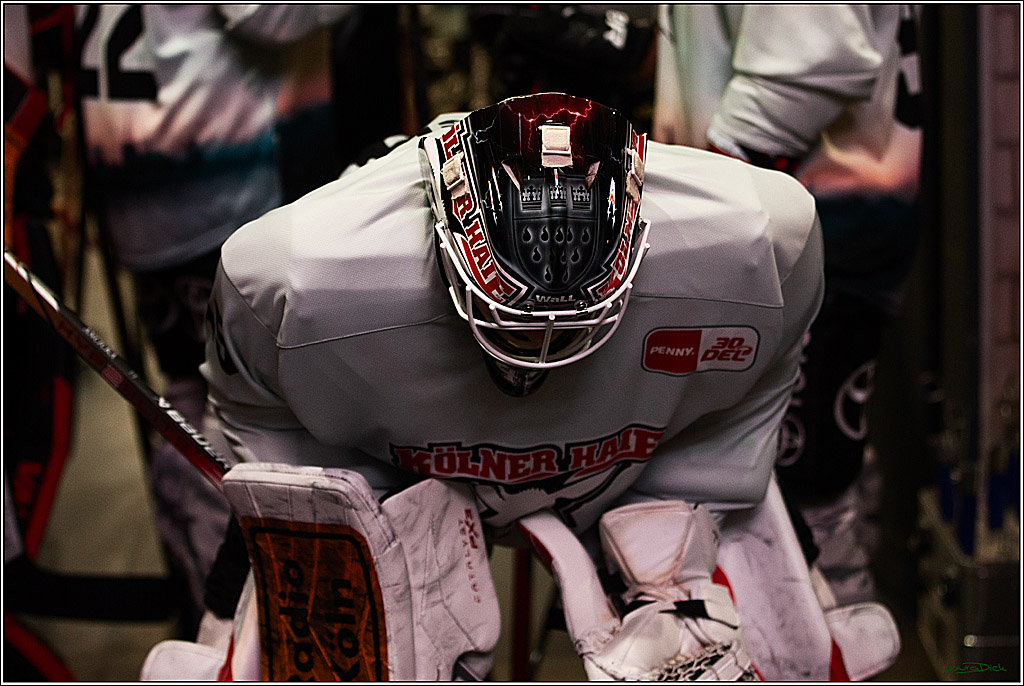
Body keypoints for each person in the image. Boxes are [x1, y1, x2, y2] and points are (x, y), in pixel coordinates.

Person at [194, 92, 824, 680]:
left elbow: (765, 373)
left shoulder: (760, 239)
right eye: (513, 323)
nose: (539, 350)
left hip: (634, 468)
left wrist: (698, 487)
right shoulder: (295, 274)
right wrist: (352, 502)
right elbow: (255, 403)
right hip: (412, 473)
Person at [76, 3, 352, 633]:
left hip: (152, 180)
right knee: (245, 426)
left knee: (196, 403)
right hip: (221, 183)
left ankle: (218, 617)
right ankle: (238, 627)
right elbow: (268, 15)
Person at [652, 4, 922, 603]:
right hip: (807, 224)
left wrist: (705, 194)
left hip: (807, 232)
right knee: (804, 481)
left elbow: (814, 61)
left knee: (799, 500)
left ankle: (821, 652)